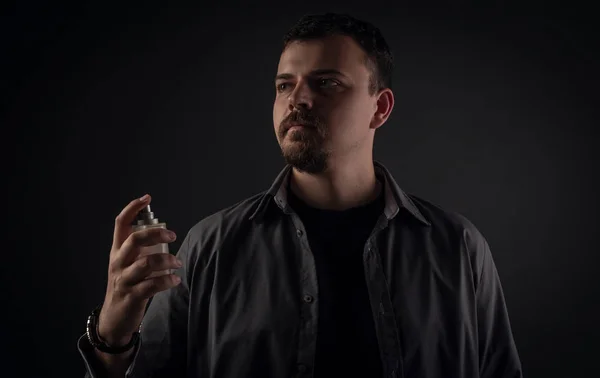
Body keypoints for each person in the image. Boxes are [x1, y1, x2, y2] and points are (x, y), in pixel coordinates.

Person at [78, 12, 523, 378]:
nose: (298, 99)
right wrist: (112, 335)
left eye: (326, 82)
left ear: (380, 108)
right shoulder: (209, 247)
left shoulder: (458, 248)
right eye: (284, 85)